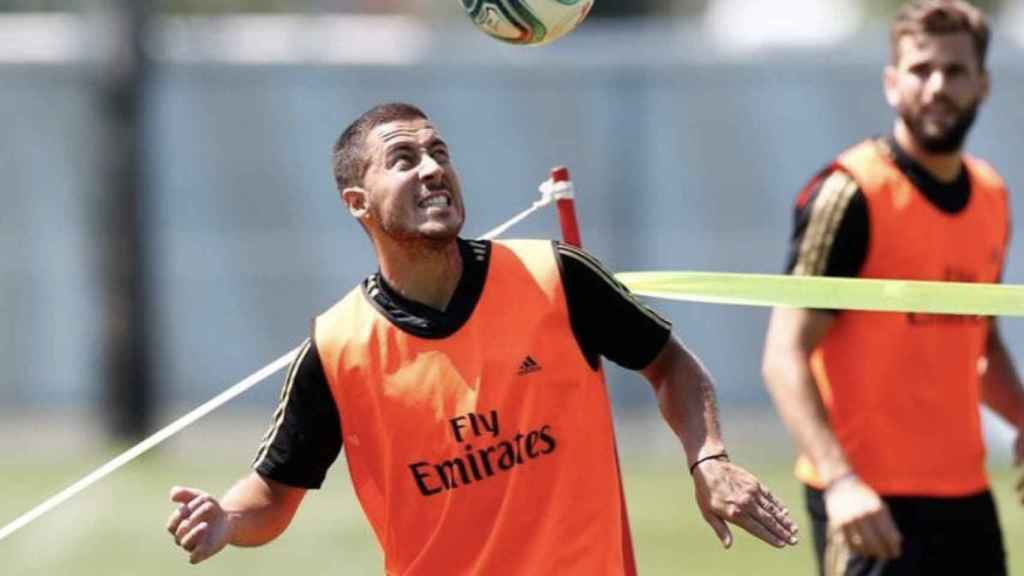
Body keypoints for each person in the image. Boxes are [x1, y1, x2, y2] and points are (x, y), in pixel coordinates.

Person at [165, 102, 798, 573]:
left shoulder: (554, 274)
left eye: (440, 152)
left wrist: (707, 456)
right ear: (358, 203)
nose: (434, 169)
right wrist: (226, 520)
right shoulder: (338, 348)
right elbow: (274, 491)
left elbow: (670, 365)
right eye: (404, 159)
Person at [761, 2, 1024, 575]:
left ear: (982, 84)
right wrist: (841, 481)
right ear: (891, 82)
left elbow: (981, 345)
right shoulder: (851, 192)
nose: (937, 87)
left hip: (967, 500)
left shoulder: (991, 195)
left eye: (955, 72)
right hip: (868, 504)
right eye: (921, 69)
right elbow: (784, 355)